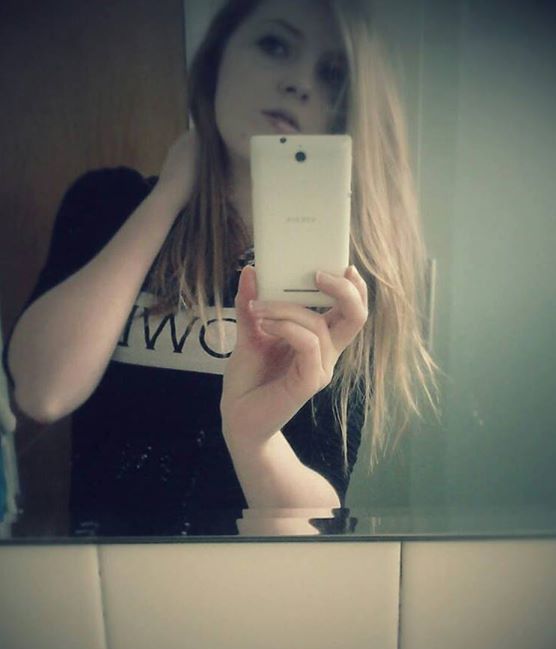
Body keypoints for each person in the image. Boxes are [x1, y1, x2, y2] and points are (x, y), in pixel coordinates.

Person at [2, 0, 439, 536]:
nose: (299, 84)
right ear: (216, 61)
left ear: (344, 110)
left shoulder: (344, 277)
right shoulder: (109, 204)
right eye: (275, 45)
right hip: (105, 574)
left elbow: (316, 526)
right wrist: (168, 197)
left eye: (331, 74)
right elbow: (42, 392)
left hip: (251, 579)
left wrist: (255, 440)